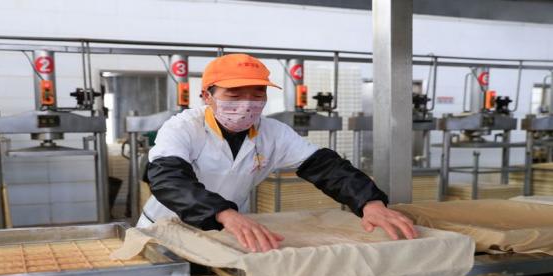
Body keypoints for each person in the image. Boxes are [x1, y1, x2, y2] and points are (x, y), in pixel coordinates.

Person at [137, 53, 417, 252]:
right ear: (207, 96)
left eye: (257, 95)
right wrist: (223, 213)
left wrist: (369, 202)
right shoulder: (183, 127)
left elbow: (324, 166)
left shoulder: (274, 133)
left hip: (230, 232)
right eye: (234, 96)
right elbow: (168, 179)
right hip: (167, 229)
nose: (246, 105)